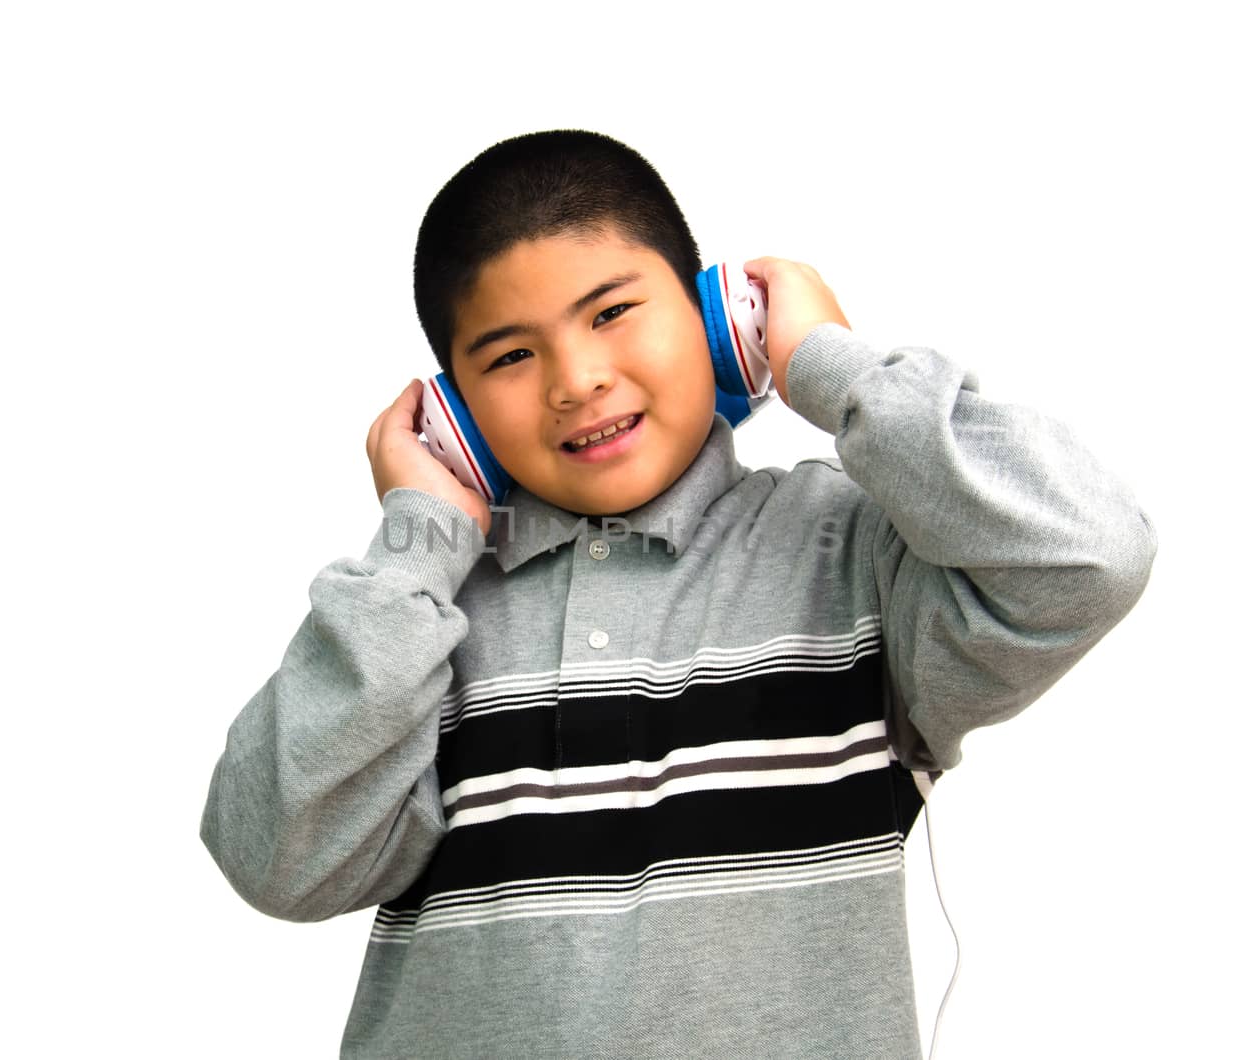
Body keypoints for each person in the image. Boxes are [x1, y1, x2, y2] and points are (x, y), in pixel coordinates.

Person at [199, 129, 1158, 1059]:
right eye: (509, 356)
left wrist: (833, 363)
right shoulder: (417, 625)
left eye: (611, 312)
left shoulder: (856, 558)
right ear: (452, 412)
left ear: (720, 323)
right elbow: (274, 858)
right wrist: (416, 550)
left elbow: (1087, 554)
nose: (577, 380)